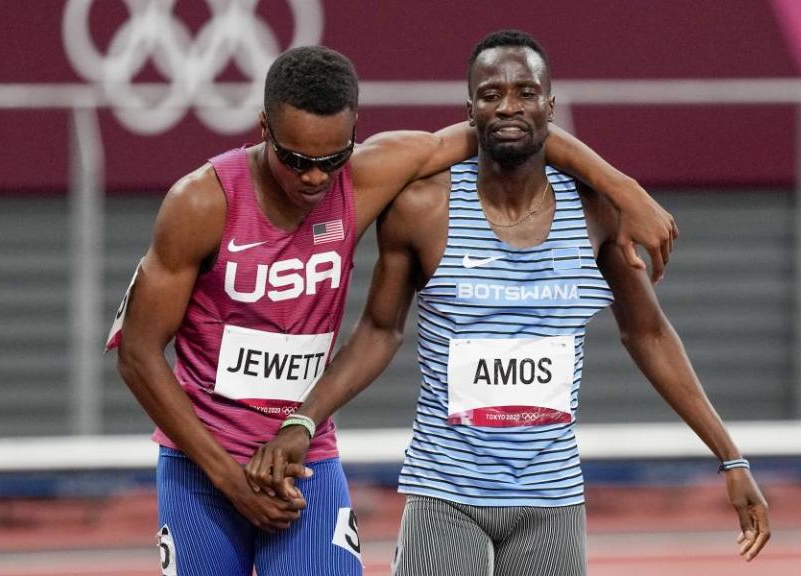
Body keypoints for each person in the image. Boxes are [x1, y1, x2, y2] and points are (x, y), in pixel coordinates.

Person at [109, 44, 677, 576]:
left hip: (305, 456)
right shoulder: (201, 202)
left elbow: (510, 128)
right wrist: (229, 480)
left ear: (355, 135)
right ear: (263, 129)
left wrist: (626, 191)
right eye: (295, 159)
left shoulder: (365, 178)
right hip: (203, 465)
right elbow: (137, 354)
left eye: (331, 158)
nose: (313, 177)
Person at [248, 31, 770, 576]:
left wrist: (729, 456)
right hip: (444, 494)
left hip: (552, 503)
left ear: (551, 104)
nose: (508, 106)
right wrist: (303, 420)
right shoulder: (422, 209)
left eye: (525, 92)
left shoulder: (596, 213)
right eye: (491, 94)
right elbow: (379, 331)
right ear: (468, 108)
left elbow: (649, 334)